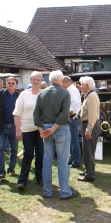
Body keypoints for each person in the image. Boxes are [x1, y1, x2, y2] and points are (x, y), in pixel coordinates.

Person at [33, 70, 77, 199]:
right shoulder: (64, 92)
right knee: (62, 161)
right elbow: (64, 114)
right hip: (60, 128)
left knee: (47, 161)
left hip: (46, 127)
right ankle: (64, 191)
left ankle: (47, 191)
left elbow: (36, 114)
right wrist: (54, 128)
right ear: (61, 79)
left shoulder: (42, 93)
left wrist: (41, 130)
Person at [13, 72, 44, 190]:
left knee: (40, 154)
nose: (36, 81)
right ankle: (22, 180)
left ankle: (40, 178)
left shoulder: (44, 94)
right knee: (28, 154)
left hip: (40, 129)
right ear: (30, 81)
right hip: (26, 129)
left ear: (41, 81)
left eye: (38, 79)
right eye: (34, 79)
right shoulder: (23, 95)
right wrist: (18, 130)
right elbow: (17, 113)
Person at [78, 76, 101, 182]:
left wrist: (89, 129)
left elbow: (92, 114)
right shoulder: (89, 95)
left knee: (88, 150)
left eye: (81, 84)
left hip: (89, 124)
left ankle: (90, 174)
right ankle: (88, 170)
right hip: (89, 124)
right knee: (88, 150)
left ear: (87, 85)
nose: (80, 86)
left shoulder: (91, 96)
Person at [62, 76, 82, 168]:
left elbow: (76, 102)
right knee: (71, 140)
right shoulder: (72, 89)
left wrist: (69, 112)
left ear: (65, 82)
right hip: (74, 117)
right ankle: (73, 159)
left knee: (74, 140)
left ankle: (76, 161)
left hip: (73, 118)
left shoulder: (71, 90)